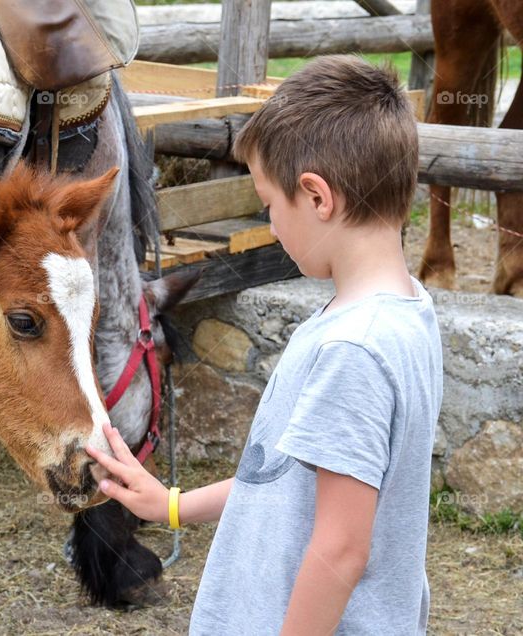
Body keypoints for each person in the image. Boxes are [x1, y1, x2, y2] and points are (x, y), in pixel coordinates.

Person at [87, 55, 444, 634]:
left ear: (317, 197)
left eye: (269, 205)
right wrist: (172, 505)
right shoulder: (404, 314)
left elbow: (341, 549)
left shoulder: (355, 350)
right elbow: (283, 483)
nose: (271, 224)